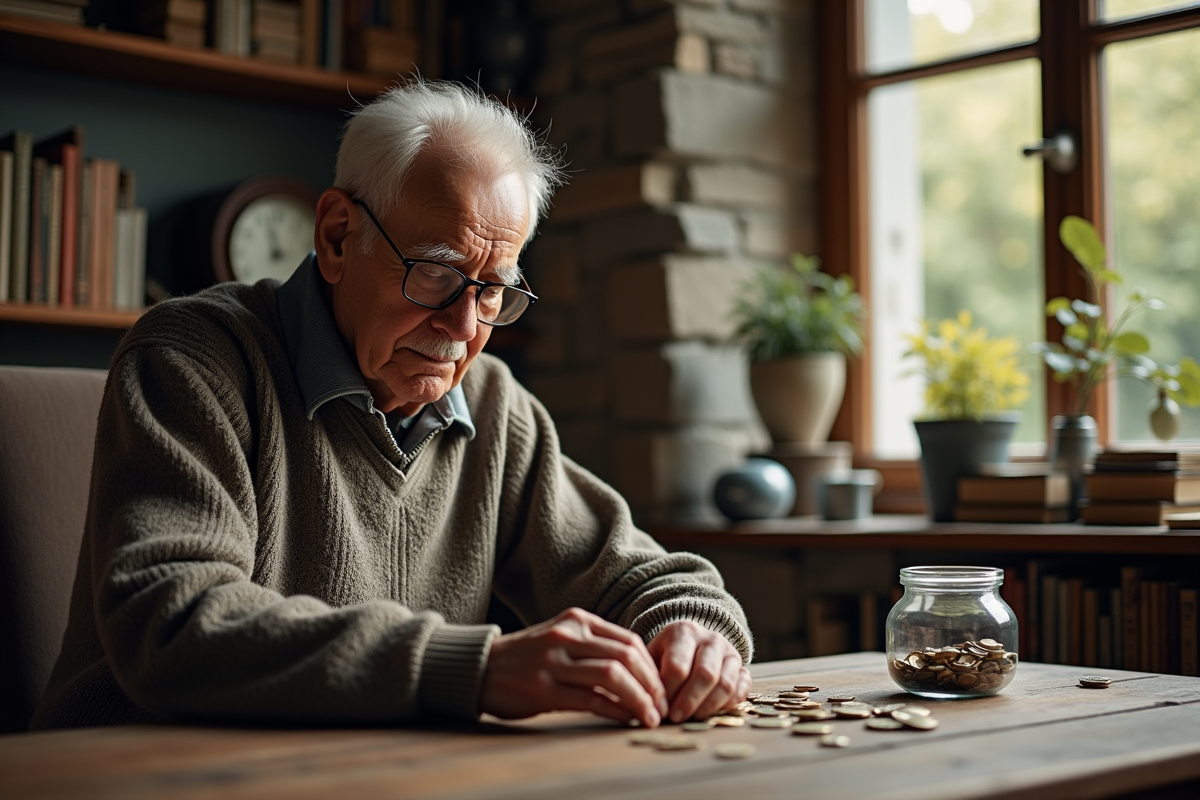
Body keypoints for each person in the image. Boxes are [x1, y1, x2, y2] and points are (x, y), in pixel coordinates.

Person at [31, 81, 753, 732]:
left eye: (495, 288)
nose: (466, 329)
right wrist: (470, 668)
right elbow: (173, 623)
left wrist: (692, 634)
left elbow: (641, 576)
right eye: (438, 274)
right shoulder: (194, 357)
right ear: (338, 236)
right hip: (139, 770)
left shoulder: (494, 404)